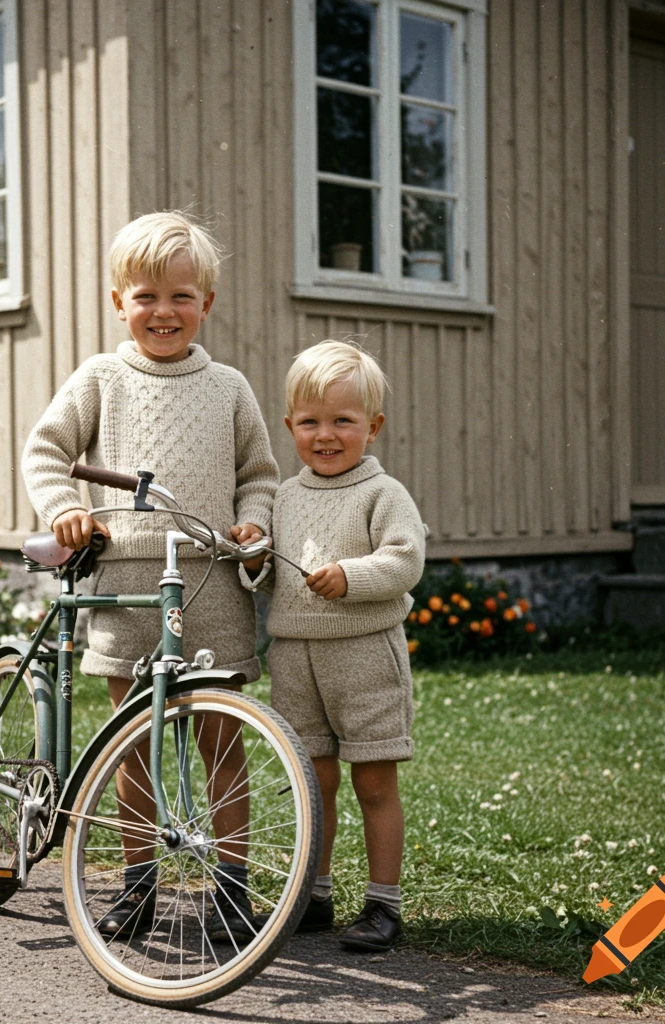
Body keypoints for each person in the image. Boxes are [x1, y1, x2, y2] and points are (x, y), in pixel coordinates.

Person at [21, 211, 279, 942]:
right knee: (130, 742)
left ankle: (232, 888)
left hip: (211, 585)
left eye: (180, 297)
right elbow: (46, 451)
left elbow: (258, 475)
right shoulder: (101, 378)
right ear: (117, 302)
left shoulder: (229, 387)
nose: (162, 312)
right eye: (145, 297)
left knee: (221, 743)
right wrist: (67, 507)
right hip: (129, 582)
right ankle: (138, 885)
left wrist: (253, 524)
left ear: (207, 304)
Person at [241, 339, 426, 951]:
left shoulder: (383, 493)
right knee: (312, 780)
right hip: (295, 658)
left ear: (371, 427)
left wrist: (351, 576)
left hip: (365, 656)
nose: (326, 435)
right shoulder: (284, 497)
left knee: (373, 781)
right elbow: (268, 575)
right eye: (311, 422)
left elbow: (403, 560)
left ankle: (383, 904)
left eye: (343, 421)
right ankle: (313, 894)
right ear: (290, 424)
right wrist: (254, 557)